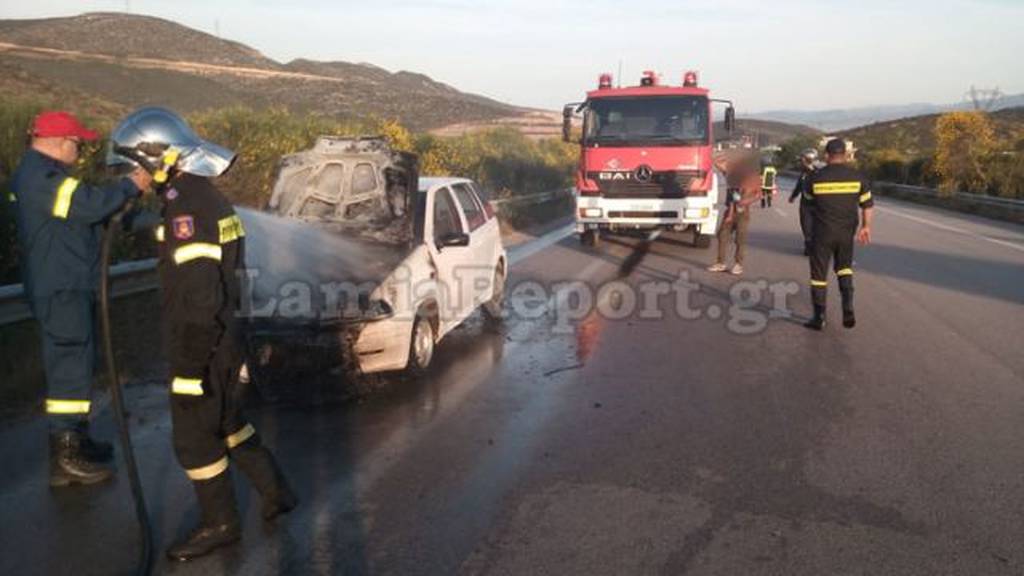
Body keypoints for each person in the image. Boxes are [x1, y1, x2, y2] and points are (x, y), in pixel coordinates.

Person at [107, 107, 296, 561]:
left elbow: (199, 298)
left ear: (157, 158)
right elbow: (188, 248)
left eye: (135, 165)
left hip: (203, 345)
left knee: (194, 438)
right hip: (228, 337)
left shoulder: (186, 208)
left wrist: (190, 370)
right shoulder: (197, 198)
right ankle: (277, 492)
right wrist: (137, 220)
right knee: (228, 422)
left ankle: (221, 524)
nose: (133, 174)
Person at [10, 111, 151, 487]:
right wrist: (131, 184)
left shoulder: (46, 176)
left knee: (78, 364)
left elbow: (89, 218)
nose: (81, 149)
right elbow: (90, 206)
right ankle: (65, 457)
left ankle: (79, 441)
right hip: (61, 289)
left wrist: (142, 209)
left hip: (69, 285)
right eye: (78, 143)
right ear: (59, 142)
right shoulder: (40, 178)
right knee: (69, 366)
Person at [805, 139, 873, 330]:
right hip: (846, 233)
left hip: (822, 233)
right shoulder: (858, 177)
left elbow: (808, 206)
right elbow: (867, 205)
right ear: (845, 155)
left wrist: (808, 235)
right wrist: (866, 227)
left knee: (819, 275)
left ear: (827, 155)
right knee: (844, 268)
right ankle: (847, 307)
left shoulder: (815, 178)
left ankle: (819, 317)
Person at [708, 153, 762, 275]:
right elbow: (718, 164)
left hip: (743, 212)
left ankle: (738, 265)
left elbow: (758, 195)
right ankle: (720, 263)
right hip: (731, 210)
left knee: (740, 239)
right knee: (722, 235)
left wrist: (746, 201)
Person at [788, 148, 819, 255]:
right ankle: (808, 244)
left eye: (802, 159)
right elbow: (799, 186)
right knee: (806, 226)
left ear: (808, 159)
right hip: (805, 205)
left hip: (818, 205)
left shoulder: (819, 173)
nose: (801, 161)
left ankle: (815, 245)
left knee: (817, 227)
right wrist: (793, 196)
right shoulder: (804, 173)